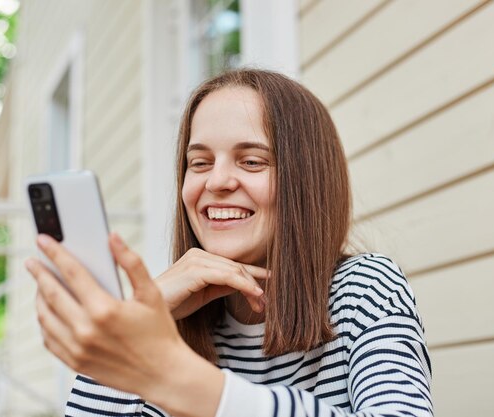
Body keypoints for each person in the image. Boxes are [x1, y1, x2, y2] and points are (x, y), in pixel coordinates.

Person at [25, 69, 433, 417]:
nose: (216, 181)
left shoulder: (364, 288)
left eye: (252, 161)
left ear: (306, 182)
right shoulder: (172, 325)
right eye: (199, 163)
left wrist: (184, 381)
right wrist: (129, 329)